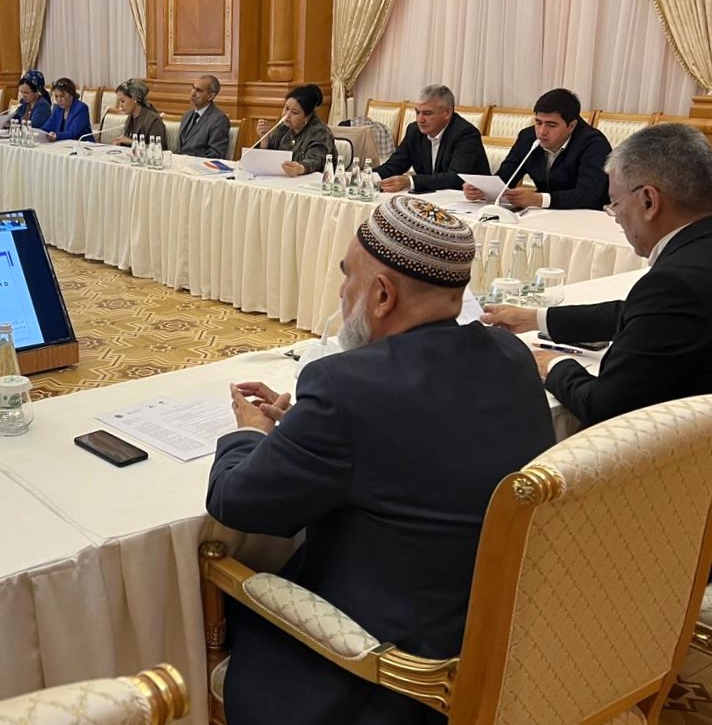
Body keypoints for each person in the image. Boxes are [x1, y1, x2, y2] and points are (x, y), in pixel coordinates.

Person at [208, 196, 555, 725]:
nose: (342, 292)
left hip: (389, 677)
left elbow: (237, 502)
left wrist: (251, 433)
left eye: (348, 277)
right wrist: (305, 427)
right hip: (507, 643)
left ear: (383, 295)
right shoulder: (511, 355)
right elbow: (417, 439)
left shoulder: (345, 386)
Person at [483, 123, 712, 428]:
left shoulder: (672, 285)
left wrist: (553, 365)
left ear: (648, 201)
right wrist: (535, 318)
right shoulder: (688, 269)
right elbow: (644, 315)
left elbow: (604, 407)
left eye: (615, 203)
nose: (615, 217)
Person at [464, 88, 611, 210]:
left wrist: (539, 200)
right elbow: (506, 177)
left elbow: (588, 195)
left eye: (551, 125)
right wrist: (483, 190)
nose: (542, 132)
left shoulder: (594, 144)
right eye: (538, 123)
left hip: (584, 217)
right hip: (542, 215)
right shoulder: (527, 138)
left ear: (571, 125)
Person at [375, 85, 489, 192]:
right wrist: (369, 176)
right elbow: (394, 166)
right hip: (431, 197)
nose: (420, 120)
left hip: (467, 200)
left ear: (447, 113)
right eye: (417, 112)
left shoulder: (465, 134)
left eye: (427, 113)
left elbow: (455, 178)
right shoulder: (414, 131)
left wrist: (410, 182)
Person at [255, 83, 336, 176]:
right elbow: (269, 157)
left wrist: (301, 168)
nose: (287, 115)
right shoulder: (283, 126)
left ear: (307, 117)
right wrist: (264, 139)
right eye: (286, 108)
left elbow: (317, 160)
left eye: (294, 112)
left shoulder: (320, 132)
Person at [176, 74, 231, 158]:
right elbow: (180, 148)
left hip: (198, 165)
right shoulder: (187, 115)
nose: (192, 93)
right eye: (193, 88)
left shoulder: (219, 120)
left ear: (210, 96)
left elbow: (215, 154)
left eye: (198, 90)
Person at [112, 78, 166, 147]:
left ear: (134, 99)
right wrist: (120, 143)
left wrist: (131, 142)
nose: (120, 106)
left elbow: (158, 148)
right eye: (119, 101)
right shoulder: (129, 119)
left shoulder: (153, 120)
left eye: (122, 101)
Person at [44, 77, 92, 141]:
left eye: (62, 96)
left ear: (71, 95)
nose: (59, 100)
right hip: (62, 144)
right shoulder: (57, 109)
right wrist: (36, 132)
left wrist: (56, 135)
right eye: (56, 96)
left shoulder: (81, 108)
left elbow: (73, 133)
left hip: (82, 145)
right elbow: (46, 128)